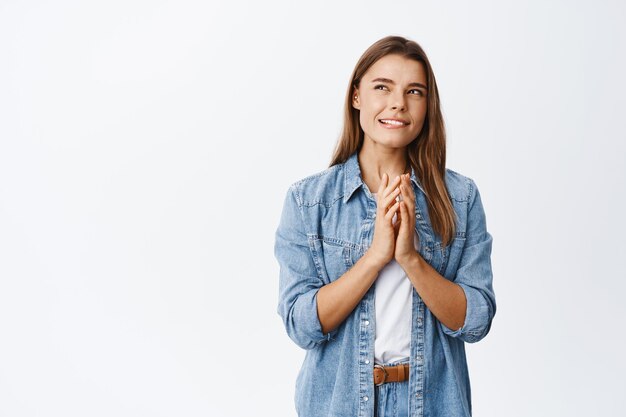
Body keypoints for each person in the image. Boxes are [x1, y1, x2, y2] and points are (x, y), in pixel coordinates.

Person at [274, 35, 496, 417]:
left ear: (427, 106)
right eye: (383, 87)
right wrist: (375, 257)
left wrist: (410, 258)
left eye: (414, 91)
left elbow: (475, 321)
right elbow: (301, 324)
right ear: (357, 95)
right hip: (337, 404)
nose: (398, 103)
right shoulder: (309, 202)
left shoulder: (460, 198)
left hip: (433, 403)